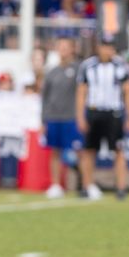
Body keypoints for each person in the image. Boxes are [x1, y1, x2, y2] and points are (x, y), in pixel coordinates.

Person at [75, 36, 129, 201]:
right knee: (89, 150)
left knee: (118, 150)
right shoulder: (88, 66)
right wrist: (80, 116)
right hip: (94, 111)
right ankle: (87, 186)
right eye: (104, 46)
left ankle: (121, 188)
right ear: (98, 47)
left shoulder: (121, 66)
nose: (106, 50)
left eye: (110, 47)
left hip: (113, 112)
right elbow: (81, 92)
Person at [41, 38, 84, 198]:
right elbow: (45, 98)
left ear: (72, 49)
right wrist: (43, 119)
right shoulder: (52, 72)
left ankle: (84, 183)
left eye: (66, 47)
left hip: (71, 117)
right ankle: (55, 184)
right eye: (60, 47)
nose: (63, 50)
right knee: (55, 152)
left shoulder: (79, 70)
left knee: (79, 151)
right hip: (53, 117)